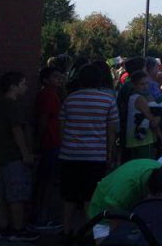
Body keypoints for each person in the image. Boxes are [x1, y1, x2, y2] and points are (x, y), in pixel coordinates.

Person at [59, 64, 119, 241]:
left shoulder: (70, 99)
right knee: (91, 197)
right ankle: (89, 232)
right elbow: (112, 131)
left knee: (69, 196)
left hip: (69, 155)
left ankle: (66, 230)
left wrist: (67, 144)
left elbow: (61, 126)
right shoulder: (107, 100)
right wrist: (110, 154)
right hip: (95, 155)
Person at [88, 160, 162, 241]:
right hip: (104, 214)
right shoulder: (125, 190)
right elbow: (115, 233)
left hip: (135, 207)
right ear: (153, 192)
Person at [0, 72, 38, 242]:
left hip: (2, 155)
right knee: (16, 195)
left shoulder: (0, 104)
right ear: (13, 86)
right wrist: (26, 153)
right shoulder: (12, 105)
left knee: (0, 195)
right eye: (23, 83)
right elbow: (17, 130)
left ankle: (3, 228)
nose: (25, 87)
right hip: (14, 156)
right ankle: (17, 229)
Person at [32, 66, 63, 231]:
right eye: (55, 76)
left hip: (50, 143)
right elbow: (44, 119)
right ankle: (42, 218)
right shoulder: (49, 95)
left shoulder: (48, 94)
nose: (59, 79)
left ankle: (39, 215)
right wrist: (40, 139)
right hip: (50, 143)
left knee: (45, 181)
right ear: (45, 80)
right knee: (47, 181)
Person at [125, 71, 162, 160]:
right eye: (142, 84)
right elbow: (153, 122)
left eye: (147, 83)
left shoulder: (135, 96)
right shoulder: (140, 98)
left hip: (136, 140)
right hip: (143, 140)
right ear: (134, 85)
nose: (145, 86)